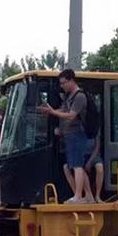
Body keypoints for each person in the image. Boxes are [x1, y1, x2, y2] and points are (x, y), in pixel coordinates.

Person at [37, 69, 92, 203]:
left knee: (78, 166)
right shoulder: (69, 96)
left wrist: (53, 112)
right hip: (70, 135)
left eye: (64, 83)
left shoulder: (80, 96)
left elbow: (71, 115)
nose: (62, 86)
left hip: (78, 134)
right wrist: (50, 111)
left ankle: (78, 196)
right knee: (73, 165)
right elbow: (63, 110)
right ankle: (89, 196)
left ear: (72, 80)